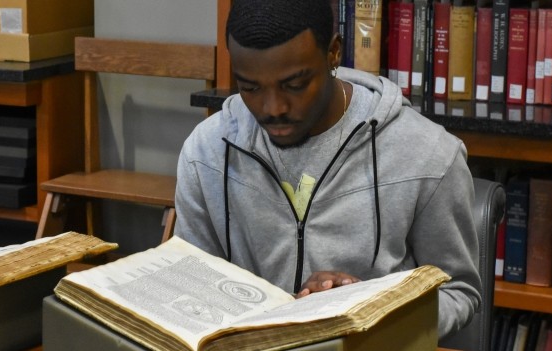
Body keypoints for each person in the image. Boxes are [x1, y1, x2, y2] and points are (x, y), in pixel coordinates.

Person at [173, 0, 481, 339]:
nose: (273, 108)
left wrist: (371, 308)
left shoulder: (428, 154)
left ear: (333, 53)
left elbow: (459, 293)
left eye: (294, 85)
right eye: (250, 88)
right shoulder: (207, 151)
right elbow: (193, 284)